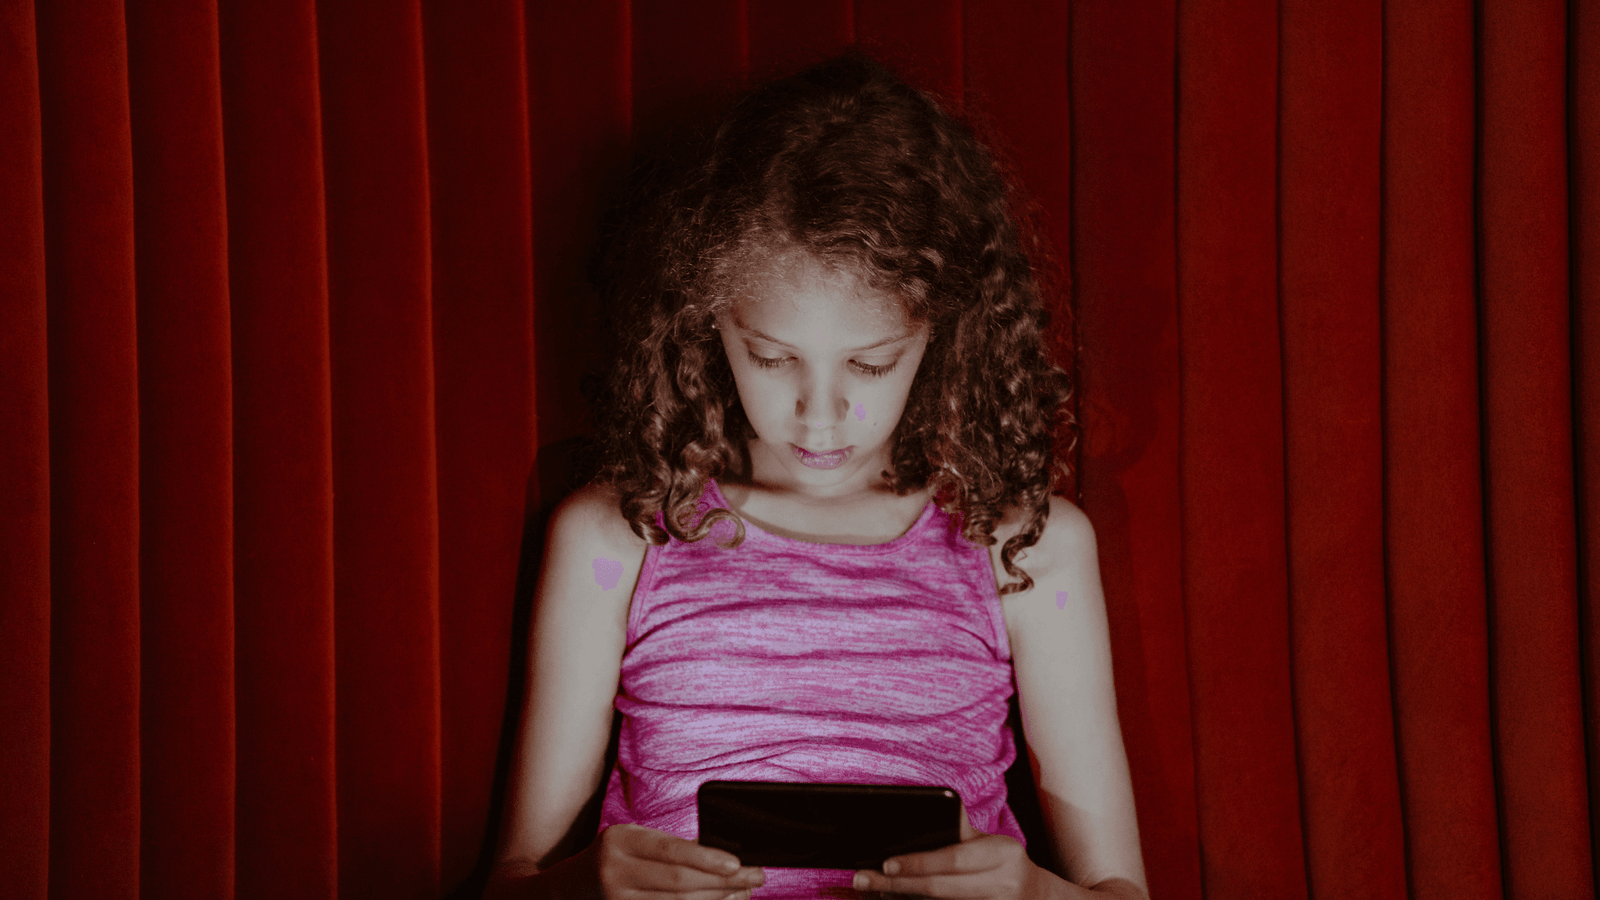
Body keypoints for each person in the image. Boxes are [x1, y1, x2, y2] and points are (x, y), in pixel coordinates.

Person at [484, 50, 1148, 900]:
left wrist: (1030, 894)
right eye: (771, 357)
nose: (821, 415)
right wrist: (576, 888)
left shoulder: (1024, 548)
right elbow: (511, 880)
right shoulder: (619, 536)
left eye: (871, 365)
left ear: (940, 337)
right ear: (710, 324)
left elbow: (1122, 889)